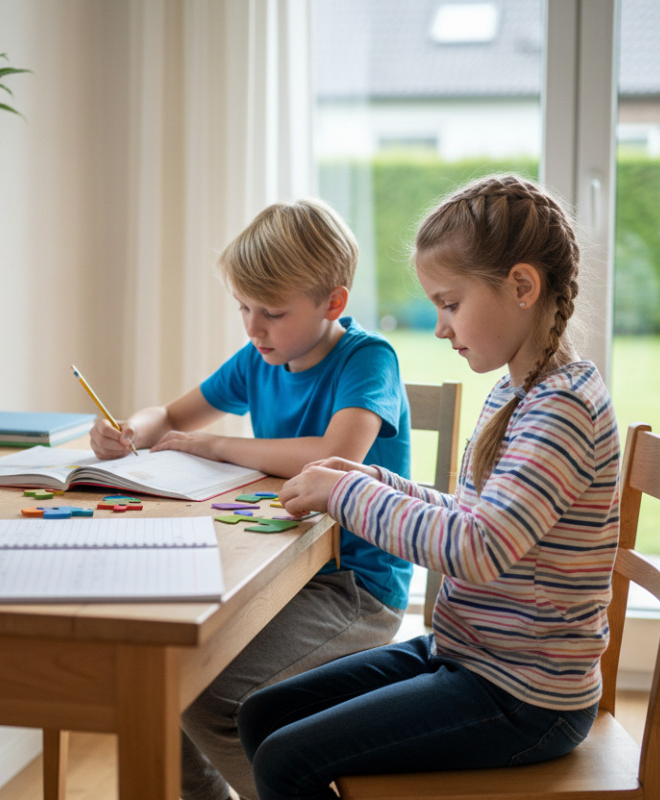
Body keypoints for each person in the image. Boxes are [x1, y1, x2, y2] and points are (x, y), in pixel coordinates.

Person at [236, 174, 622, 800]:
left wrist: (346, 497)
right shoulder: (518, 392)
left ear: (522, 287)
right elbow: (475, 515)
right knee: (261, 716)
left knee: (285, 760)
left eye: (450, 303)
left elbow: (477, 548)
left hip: (525, 696)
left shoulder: (563, 409)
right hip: (467, 654)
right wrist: (374, 479)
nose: (441, 327)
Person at [89, 198, 413, 800]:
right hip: (280, 575)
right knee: (165, 678)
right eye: (243, 307)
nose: (253, 328)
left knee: (212, 699)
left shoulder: (369, 359)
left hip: (355, 589)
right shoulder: (261, 358)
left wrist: (215, 445)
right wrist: (129, 429)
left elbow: (335, 454)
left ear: (333, 303)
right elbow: (169, 416)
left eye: (272, 312)